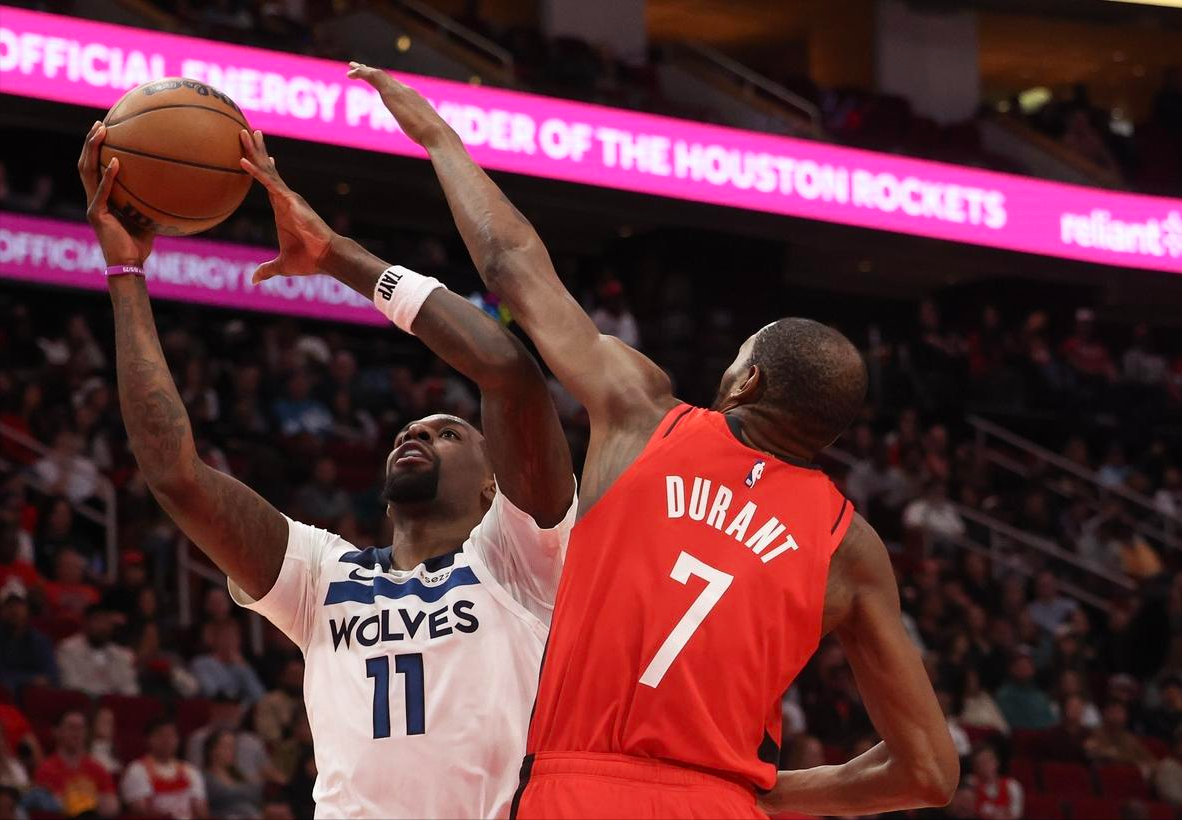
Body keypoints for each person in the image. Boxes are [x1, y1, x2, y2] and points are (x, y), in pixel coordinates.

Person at [345, 65, 958, 819]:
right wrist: (753, 794)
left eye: (735, 359)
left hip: (580, 789)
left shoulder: (643, 416)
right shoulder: (850, 547)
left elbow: (512, 264)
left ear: (748, 382)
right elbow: (929, 772)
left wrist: (440, 138)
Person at [80, 113, 575, 819]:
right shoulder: (322, 575)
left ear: (494, 485)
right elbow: (175, 475)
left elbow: (508, 372)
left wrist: (336, 255)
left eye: (448, 433)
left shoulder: (519, 559)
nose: (417, 432)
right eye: (410, 430)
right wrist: (127, 272)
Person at [33, 711, 118, 819]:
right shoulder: (46, 769)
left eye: (81, 728)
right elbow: (47, 805)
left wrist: (73, 801)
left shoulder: (97, 768)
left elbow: (112, 806)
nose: (77, 733)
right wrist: (90, 800)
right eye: (71, 727)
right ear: (58, 732)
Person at [120, 718, 207, 820]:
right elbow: (140, 810)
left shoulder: (191, 771)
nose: (167, 740)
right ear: (148, 739)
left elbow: (201, 810)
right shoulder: (136, 770)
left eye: (171, 736)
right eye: (160, 735)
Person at [56, 604, 138, 697]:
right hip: (80, 703)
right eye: (98, 621)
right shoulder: (68, 650)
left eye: (106, 622)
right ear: (86, 623)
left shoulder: (122, 655)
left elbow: (130, 690)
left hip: (114, 704)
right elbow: (71, 686)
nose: (102, 627)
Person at [188, 620, 265, 705]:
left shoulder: (241, 665)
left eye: (234, 636)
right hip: (215, 709)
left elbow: (260, 696)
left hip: (241, 711)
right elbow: (212, 693)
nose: (231, 641)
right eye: (226, 636)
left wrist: (242, 668)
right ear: (215, 639)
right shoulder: (201, 664)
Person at [203, 729, 263, 820]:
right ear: (213, 750)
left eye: (233, 747)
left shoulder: (239, 775)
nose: (232, 751)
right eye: (226, 746)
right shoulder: (206, 778)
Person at [963, 744, 1023, 820]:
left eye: (988, 761)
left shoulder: (1012, 786)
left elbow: (1016, 815)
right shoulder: (970, 784)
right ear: (975, 766)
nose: (985, 766)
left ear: (997, 762)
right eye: (980, 762)